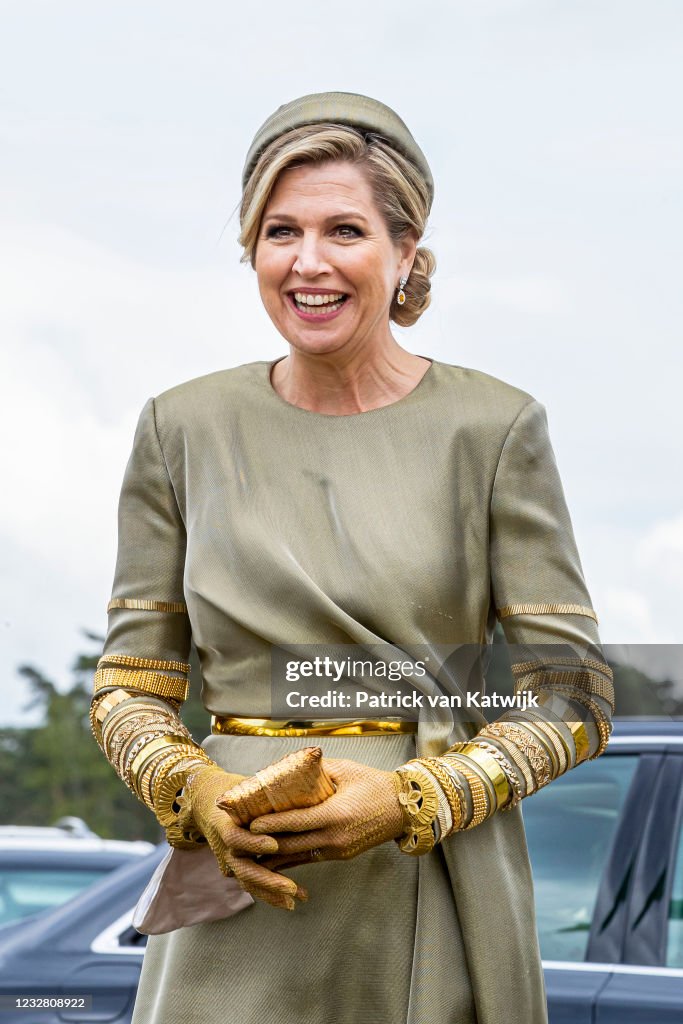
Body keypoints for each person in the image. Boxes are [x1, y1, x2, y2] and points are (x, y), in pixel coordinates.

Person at [91, 92, 614, 1024]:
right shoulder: (180, 427)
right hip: (233, 885)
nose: (309, 262)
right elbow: (131, 680)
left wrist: (415, 800)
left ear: (406, 253)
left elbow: (572, 697)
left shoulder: (493, 429)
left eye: (345, 230)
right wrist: (198, 791)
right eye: (280, 231)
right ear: (251, 248)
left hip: (429, 886)